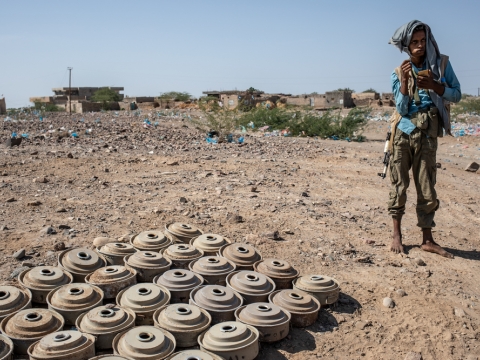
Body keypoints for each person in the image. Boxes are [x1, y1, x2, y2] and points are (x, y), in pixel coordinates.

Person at [387, 20, 461, 258]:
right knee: (399, 185)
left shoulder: (441, 65)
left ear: (429, 42)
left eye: (423, 41)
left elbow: (457, 93)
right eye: (414, 42)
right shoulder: (399, 72)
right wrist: (407, 85)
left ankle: (427, 239)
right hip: (404, 134)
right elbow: (401, 107)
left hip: (428, 135)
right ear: (407, 46)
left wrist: (436, 87)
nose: (419, 46)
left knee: (427, 186)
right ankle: (396, 234)